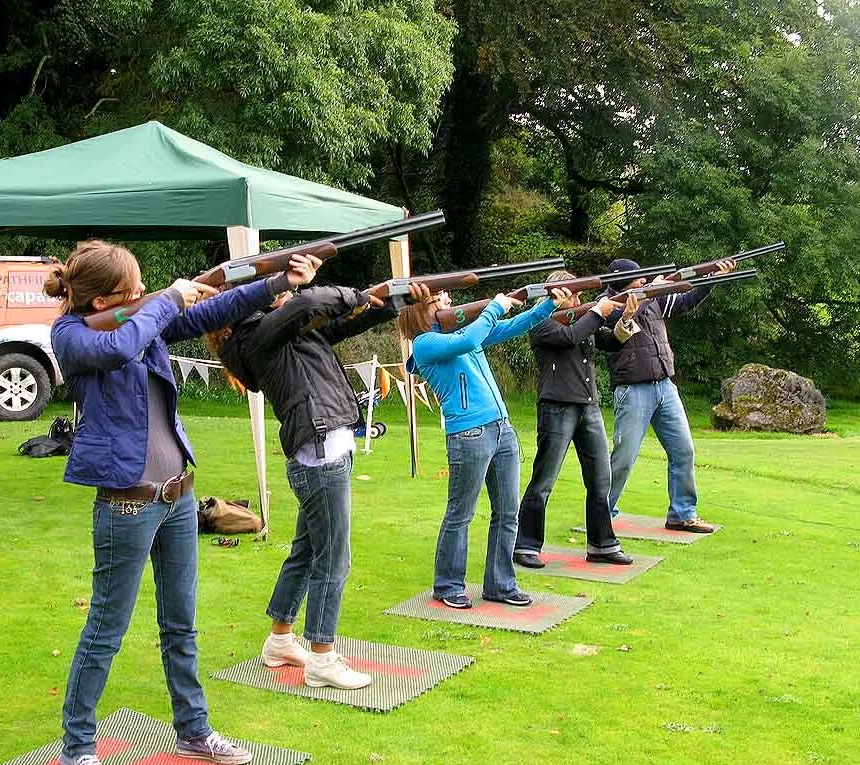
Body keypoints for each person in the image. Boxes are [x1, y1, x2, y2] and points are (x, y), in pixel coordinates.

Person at [47, 241, 315, 765]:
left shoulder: (145, 319)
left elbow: (213, 308)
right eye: (132, 290)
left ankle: (193, 729)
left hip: (178, 499)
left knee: (181, 623)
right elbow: (124, 343)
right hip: (127, 501)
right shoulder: (73, 336)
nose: (144, 295)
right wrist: (165, 300)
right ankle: (77, 746)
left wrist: (276, 282)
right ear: (100, 299)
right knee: (106, 627)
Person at [210, 266, 426, 690]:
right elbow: (311, 302)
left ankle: (280, 640)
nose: (284, 293)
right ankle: (323, 657)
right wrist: (358, 290)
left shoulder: (282, 335)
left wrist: (396, 299)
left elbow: (347, 320)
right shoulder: (256, 336)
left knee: (307, 553)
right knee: (334, 559)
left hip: (326, 450)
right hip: (320, 453)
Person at [401, 286, 567, 608]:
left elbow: (513, 326)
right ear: (422, 309)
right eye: (441, 299)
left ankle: (501, 585)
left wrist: (549, 304)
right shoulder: (425, 344)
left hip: (501, 428)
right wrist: (494, 307)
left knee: (508, 513)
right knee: (460, 514)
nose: (449, 300)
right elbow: (470, 340)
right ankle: (448, 585)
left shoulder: (463, 331)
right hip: (469, 434)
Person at [597, 258, 736, 533]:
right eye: (639, 279)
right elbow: (621, 323)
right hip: (632, 388)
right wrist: (653, 292)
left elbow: (685, 302)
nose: (644, 282)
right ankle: (601, 515)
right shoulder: (607, 304)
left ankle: (682, 514)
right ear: (624, 282)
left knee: (683, 449)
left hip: (664, 385)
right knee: (623, 459)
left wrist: (711, 279)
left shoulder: (652, 297)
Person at [513, 270, 632, 568]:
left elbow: (610, 340)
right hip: (557, 406)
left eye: (579, 294)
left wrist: (626, 318)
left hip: (588, 405)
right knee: (544, 480)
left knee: (600, 480)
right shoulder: (540, 322)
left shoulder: (581, 319)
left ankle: (602, 543)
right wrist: (596, 311)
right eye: (572, 294)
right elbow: (570, 337)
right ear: (556, 296)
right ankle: (525, 545)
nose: (578, 299)